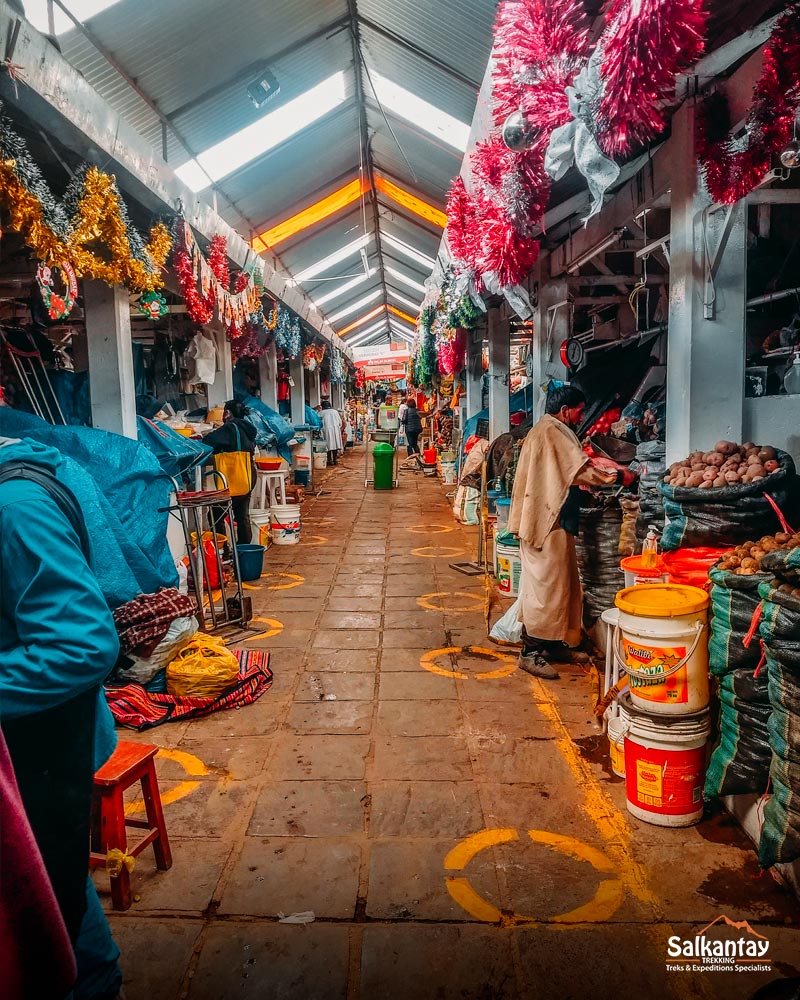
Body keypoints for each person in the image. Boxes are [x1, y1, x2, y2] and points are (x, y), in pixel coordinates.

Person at [0, 435, 123, 998]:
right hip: (34, 753)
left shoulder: (15, 508)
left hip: (42, 756)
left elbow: (82, 645)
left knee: (53, 909)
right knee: (57, 902)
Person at [508, 386, 617, 679]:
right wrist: (615, 473)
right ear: (566, 409)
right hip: (546, 522)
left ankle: (555, 644)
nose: (581, 416)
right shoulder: (552, 430)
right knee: (545, 590)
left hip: (552, 519)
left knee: (564, 586)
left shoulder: (546, 428)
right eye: (580, 410)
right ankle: (530, 653)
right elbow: (578, 470)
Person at [203, 399, 257, 545]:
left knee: (216, 515)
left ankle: (223, 550)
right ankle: (244, 552)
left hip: (232, 476)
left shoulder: (230, 428)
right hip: (248, 474)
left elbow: (207, 441)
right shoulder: (248, 428)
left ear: (227, 413)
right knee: (242, 515)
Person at [320, 399, 343, 466]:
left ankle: (329, 460)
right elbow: (340, 423)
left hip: (326, 429)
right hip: (335, 429)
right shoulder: (335, 412)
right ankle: (335, 460)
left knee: (328, 445)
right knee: (335, 445)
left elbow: (318, 421)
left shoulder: (321, 412)